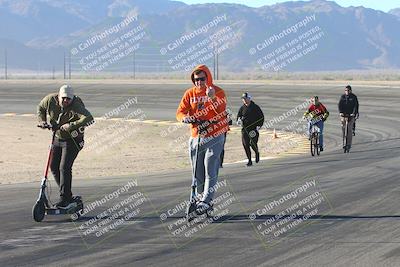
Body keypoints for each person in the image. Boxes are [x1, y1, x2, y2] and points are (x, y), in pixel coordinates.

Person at [176, 65, 229, 214]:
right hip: (196, 135)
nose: (199, 82)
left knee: (210, 166)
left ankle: (207, 200)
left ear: (208, 78)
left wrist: (212, 98)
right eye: (196, 79)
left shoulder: (218, 92)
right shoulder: (190, 93)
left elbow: (221, 111)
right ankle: (200, 197)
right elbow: (180, 112)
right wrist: (185, 118)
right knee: (197, 170)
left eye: (202, 79)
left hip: (215, 133)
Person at [37, 85, 93, 208]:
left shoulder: (76, 104)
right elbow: (41, 108)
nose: (66, 101)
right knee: (53, 166)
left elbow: (89, 118)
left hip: (74, 139)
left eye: (69, 99)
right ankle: (67, 195)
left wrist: (71, 125)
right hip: (58, 137)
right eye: (64, 98)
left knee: (64, 167)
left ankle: (65, 199)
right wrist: (42, 121)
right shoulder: (50, 100)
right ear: (59, 96)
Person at [237, 92, 264, 167]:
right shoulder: (242, 108)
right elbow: (238, 117)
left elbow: (261, 117)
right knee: (245, 144)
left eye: (246, 99)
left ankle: (257, 153)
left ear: (249, 98)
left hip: (253, 129)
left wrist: (259, 126)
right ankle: (249, 160)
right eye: (243, 99)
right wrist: (239, 122)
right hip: (245, 129)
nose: (244, 100)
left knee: (252, 144)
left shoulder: (255, 107)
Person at [338, 85, 358, 151]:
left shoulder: (354, 97)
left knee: (349, 130)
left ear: (351, 91)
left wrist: (354, 113)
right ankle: (344, 143)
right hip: (343, 114)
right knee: (343, 128)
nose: (347, 91)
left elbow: (356, 106)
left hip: (351, 115)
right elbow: (340, 105)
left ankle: (348, 145)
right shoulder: (342, 97)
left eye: (348, 90)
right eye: (345, 90)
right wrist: (341, 112)